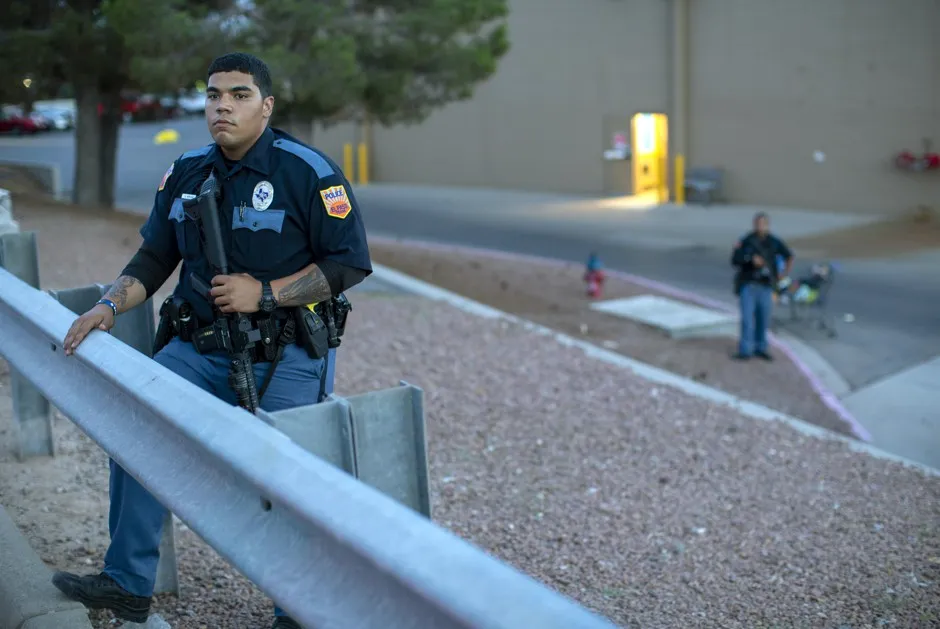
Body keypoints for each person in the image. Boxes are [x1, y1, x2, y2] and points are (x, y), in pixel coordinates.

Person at [51, 52, 372, 629]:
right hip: (196, 351)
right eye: (213, 94)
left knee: (288, 488)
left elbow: (349, 264)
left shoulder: (309, 172)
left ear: (266, 106)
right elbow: (155, 257)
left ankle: (296, 610)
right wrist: (108, 304)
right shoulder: (186, 172)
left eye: (239, 95)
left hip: (287, 358)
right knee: (134, 421)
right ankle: (126, 583)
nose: (222, 105)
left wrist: (266, 294)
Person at [730, 211, 792, 361]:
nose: (760, 227)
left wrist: (782, 275)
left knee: (763, 319)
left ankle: (761, 347)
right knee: (747, 319)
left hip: (766, 286)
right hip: (749, 285)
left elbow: (789, 256)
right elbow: (734, 260)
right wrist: (750, 260)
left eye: (763, 224)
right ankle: (745, 350)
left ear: (767, 225)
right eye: (758, 224)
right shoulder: (746, 241)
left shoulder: (774, 242)